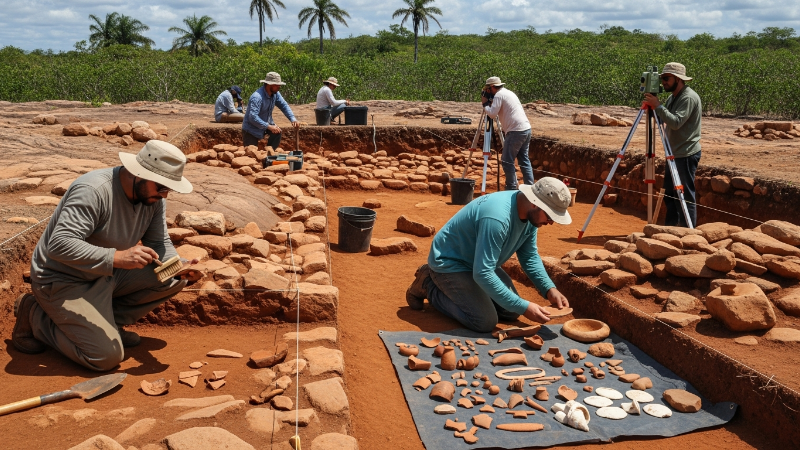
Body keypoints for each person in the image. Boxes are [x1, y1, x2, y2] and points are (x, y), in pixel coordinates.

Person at [12, 141, 200, 371]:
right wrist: (117, 258)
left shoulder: (151, 198)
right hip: (62, 279)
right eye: (161, 187)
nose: (165, 194)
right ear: (138, 174)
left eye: (168, 188)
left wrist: (179, 267)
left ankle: (111, 325)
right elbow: (59, 244)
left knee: (171, 277)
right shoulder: (93, 190)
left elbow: (159, 242)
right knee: (105, 358)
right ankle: (34, 315)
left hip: (105, 273)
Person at [406, 177, 572, 332]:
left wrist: (549, 289)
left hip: (479, 262)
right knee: (484, 321)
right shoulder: (497, 218)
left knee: (511, 312)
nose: (551, 222)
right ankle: (429, 284)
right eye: (550, 215)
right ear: (536, 203)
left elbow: (529, 256)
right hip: (450, 263)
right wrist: (524, 306)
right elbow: (483, 273)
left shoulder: (531, 218)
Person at [644, 62, 702, 227]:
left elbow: (676, 122)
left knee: (684, 194)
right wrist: (653, 108)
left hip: (685, 153)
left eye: (667, 78)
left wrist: (658, 106)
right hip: (674, 153)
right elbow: (663, 119)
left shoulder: (688, 97)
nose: (663, 82)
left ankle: (687, 230)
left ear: (678, 79)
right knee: (670, 193)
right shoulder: (673, 97)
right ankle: (671, 227)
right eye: (662, 79)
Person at [482, 76, 534, 191]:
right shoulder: (508, 93)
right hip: (526, 128)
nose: (487, 92)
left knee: (507, 161)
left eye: (487, 89)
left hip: (515, 131)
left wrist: (485, 104)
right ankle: (530, 188)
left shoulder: (499, 95)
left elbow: (492, 114)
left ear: (492, 87)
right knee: (524, 160)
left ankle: (511, 188)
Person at [242, 72, 299, 154]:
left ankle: (269, 154)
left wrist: (293, 119)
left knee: (277, 132)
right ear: (269, 84)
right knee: (251, 154)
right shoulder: (257, 97)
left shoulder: (275, 94)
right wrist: (269, 126)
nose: (279, 87)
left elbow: (284, 105)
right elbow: (253, 117)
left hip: (265, 124)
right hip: (251, 129)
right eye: (277, 85)